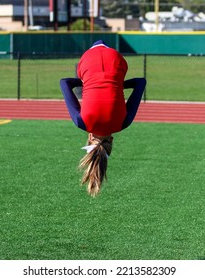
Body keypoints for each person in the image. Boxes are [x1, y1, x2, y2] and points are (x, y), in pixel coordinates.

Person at [60, 40, 146, 197]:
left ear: (111, 141)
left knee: (103, 46)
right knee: (96, 45)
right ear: (90, 137)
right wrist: (90, 82)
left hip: (116, 60)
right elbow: (65, 83)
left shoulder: (123, 123)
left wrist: (115, 83)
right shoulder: (82, 122)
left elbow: (140, 82)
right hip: (87, 61)